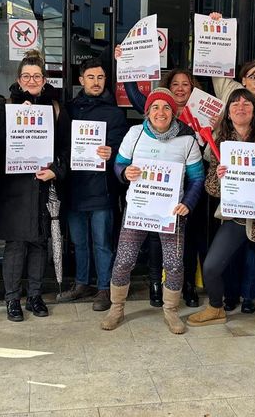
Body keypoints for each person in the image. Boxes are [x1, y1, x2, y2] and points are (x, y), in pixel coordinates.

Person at [187, 89, 255, 344]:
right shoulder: (221, 138)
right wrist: (221, 177)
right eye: (235, 103)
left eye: (246, 103)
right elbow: (211, 186)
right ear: (228, 110)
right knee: (212, 265)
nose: (240, 106)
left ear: (254, 109)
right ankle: (216, 307)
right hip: (237, 213)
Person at [100, 88, 204, 334]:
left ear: (174, 112)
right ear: (147, 112)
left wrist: (187, 203)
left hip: (172, 212)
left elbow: (198, 179)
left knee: (175, 264)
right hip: (138, 209)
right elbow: (119, 165)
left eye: (166, 107)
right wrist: (125, 173)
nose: (161, 112)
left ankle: (170, 311)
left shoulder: (187, 140)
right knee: (124, 260)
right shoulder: (135, 134)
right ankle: (116, 308)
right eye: (155, 107)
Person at [122, 66, 211, 308]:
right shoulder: (154, 115)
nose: (181, 88)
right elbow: (135, 95)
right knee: (154, 238)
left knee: (187, 239)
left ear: (193, 89)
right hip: (154, 189)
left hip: (190, 185)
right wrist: (127, 63)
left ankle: (188, 285)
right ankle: (155, 285)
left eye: (186, 84)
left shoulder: (203, 113)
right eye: (176, 84)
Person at [0, 50, 69, 321]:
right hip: (14, 188)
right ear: (19, 79)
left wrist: (55, 172)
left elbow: (65, 150)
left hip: (43, 187)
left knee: (39, 242)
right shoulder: (4, 107)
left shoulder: (56, 108)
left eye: (37, 76)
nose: (32, 80)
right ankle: (12, 298)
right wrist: (14, 122)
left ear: (45, 79)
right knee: (15, 245)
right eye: (27, 76)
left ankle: (35, 296)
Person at [58, 58, 128, 311]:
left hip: (102, 188)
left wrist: (113, 152)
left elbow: (124, 151)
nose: (96, 82)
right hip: (75, 187)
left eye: (100, 78)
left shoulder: (115, 112)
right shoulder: (69, 109)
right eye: (91, 77)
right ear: (81, 80)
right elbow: (62, 146)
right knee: (79, 241)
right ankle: (81, 283)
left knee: (102, 241)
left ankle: (104, 288)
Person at [207, 13, 255, 126]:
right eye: (253, 77)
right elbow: (218, 62)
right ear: (243, 80)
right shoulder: (230, 88)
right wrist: (216, 23)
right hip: (219, 142)